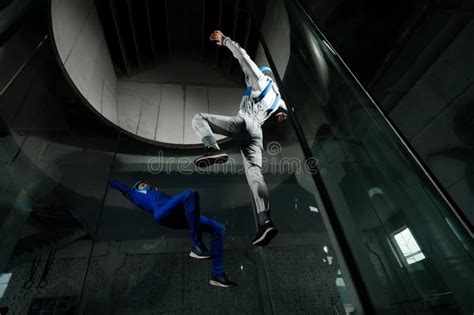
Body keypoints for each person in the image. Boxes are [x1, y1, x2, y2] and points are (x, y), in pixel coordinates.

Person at [192, 30, 288, 247]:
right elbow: (283, 109)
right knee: (255, 175)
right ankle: (266, 221)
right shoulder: (277, 98)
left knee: (199, 119)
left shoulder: (261, 79)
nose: (247, 78)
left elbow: (243, 57)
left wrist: (225, 41)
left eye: (249, 77)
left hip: (246, 122)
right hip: (257, 135)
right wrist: (283, 113)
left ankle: (213, 148)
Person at [109, 179, 236, 288]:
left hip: (180, 215)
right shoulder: (134, 195)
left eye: (146, 183)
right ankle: (197, 245)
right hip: (163, 214)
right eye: (141, 184)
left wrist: (158, 192)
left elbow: (174, 202)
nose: (144, 185)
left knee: (217, 228)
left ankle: (217, 274)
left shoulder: (157, 192)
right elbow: (120, 187)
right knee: (190, 193)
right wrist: (105, 177)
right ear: (135, 189)